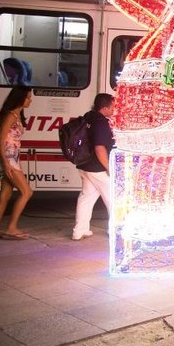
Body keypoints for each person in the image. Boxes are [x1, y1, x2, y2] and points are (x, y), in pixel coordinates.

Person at [0, 87, 34, 240]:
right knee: (26, 192)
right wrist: (7, 163)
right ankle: (11, 227)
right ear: (20, 98)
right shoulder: (11, 116)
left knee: (4, 196)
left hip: (11, 158)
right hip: (8, 158)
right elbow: (0, 140)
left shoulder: (16, 115)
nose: (30, 100)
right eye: (28, 97)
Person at [72, 94, 115, 240]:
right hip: (98, 168)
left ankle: (79, 230)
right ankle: (115, 229)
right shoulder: (101, 122)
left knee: (86, 197)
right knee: (114, 198)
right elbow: (99, 148)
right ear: (104, 108)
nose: (114, 109)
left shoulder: (88, 117)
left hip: (84, 165)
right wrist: (109, 168)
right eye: (112, 107)